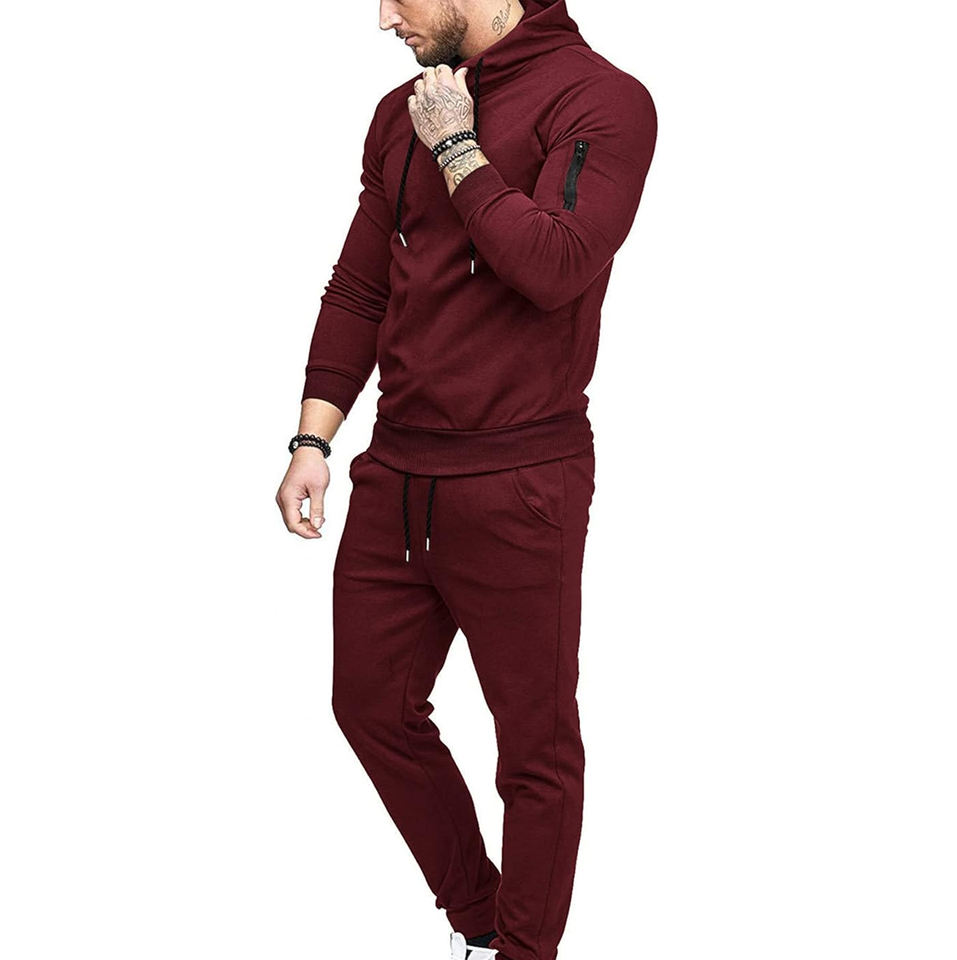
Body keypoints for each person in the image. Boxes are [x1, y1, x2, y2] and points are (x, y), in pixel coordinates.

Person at [275, 1, 657, 957]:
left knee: (535, 752)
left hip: (520, 479)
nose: (383, 19)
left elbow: (555, 266)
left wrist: (457, 148)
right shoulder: (401, 110)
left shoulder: (603, 100)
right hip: (397, 473)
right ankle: (485, 927)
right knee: (370, 707)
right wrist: (313, 438)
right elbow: (361, 285)